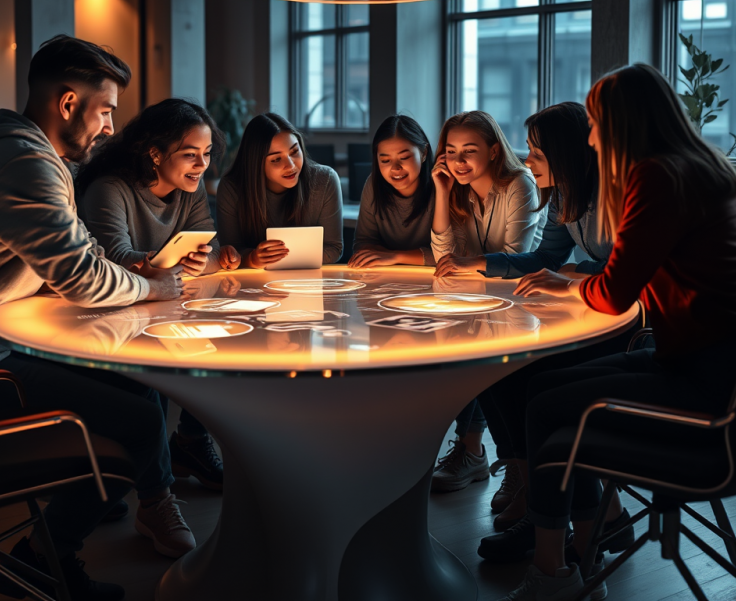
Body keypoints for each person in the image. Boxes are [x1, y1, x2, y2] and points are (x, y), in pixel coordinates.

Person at [0, 35, 189, 601]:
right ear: (68, 103)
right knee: (140, 425)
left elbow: (79, 253)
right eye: (105, 111)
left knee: (135, 380)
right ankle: (43, 557)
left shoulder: (29, 157)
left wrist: (131, 270)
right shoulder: (24, 164)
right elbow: (79, 279)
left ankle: (108, 494)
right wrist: (152, 288)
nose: (110, 127)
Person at [495, 63, 736, 601]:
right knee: (542, 385)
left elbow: (613, 294)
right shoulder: (700, 168)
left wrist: (567, 285)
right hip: (707, 365)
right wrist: (578, 281)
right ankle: (590, 544)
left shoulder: (659, 177)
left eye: (595, 123)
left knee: (546, 405)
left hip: (704, 386)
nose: (590, 137)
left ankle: (554, 573)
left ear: (622, 123)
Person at [463, 103, 630, 561]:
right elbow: (546, 260)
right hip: (598, 312)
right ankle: (540, 502)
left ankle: (560, 519)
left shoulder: (618, 196)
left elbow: (628, 273)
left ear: (567, 152)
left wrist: (576, 274)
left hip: (629, 326)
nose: (528, 160)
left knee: (536, 380)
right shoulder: (563, 196)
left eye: (537, 152)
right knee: (501, 368)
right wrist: (479, 263)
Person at [77, 98, 241, 497]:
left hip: (162, 304)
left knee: (222, 343)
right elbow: (115, 260)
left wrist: (201, 260)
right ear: (155, 153)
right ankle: (145, 488)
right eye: (190, 154)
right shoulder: (110, 189)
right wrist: (174, 264)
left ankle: (188, 444)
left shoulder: (190, 190)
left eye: (206, 154)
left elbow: (210, 250)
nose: (201, 165)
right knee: (155, 380)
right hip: (106, 314)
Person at [429, 111, 546, 493]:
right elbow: (444, 257)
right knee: (455, 344)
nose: (458, 161)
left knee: (481, 358)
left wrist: (467, 264)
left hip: (528, 301)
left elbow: (516, 257)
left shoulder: (520, 184)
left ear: (494, 151)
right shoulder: (457, 189)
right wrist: (442, 193)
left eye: (469, 150)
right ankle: (489, 457)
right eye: (450, 151)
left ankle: (503, 464)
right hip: (485, 300)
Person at [216, 112, 343, 267]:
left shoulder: (325, 179)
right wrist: (252, 259)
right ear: (255, 163)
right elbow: (229, 252)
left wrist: (279, 258)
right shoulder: (231, 187)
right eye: (276, 159)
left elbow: (334, 248)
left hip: (309, 278)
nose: (291, 165)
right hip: (252, 279)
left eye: (294, 152)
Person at [348, 114, 436, 268]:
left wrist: (395, 256)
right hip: (387, 275)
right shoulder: (374, 184)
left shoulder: (440, 185)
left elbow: (452, 254)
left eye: (404, 157)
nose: (395, 168)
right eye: (385, 160)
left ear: (424, 153)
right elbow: (363, 244)